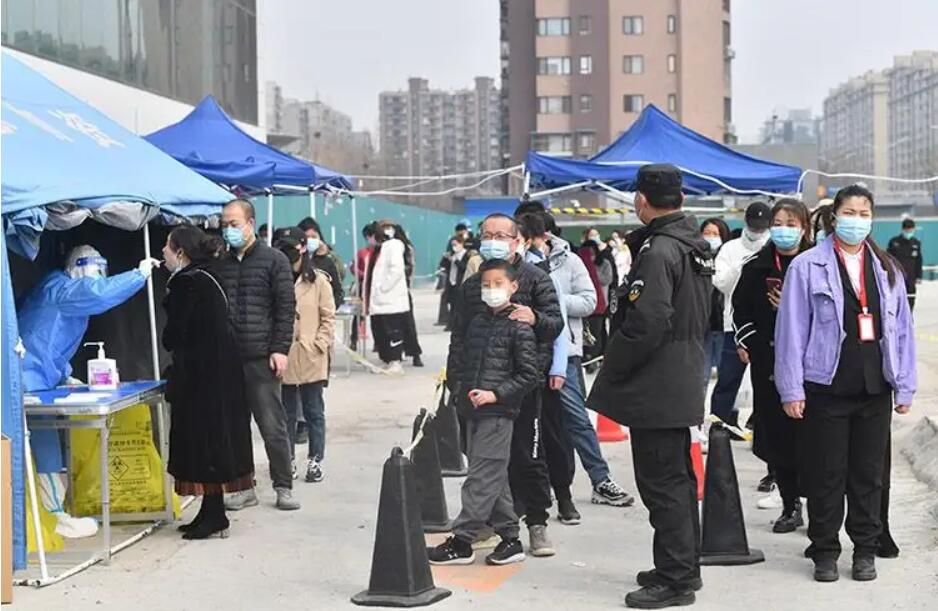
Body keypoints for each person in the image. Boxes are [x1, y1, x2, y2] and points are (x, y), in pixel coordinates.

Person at [775, 184, 916, 583]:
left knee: (868, 475)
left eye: (863, 213)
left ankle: (865, 550)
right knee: (827, 473)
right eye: (849, 212)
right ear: (834, 216)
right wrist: (792, 389)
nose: (857, 219)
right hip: (827, 386)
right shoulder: (807, 266)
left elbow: (901, 331)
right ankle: (824, 549)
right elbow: (791, 331)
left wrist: (904, 385)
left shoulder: (887, 267)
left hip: (875, 387)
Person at [587, 164, 711, 609]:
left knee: (663, 484)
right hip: (680, 377)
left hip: (658, 384)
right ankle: (681, 566)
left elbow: (646, 322)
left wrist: (612, 366)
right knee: (675, 478)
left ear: (641, 199)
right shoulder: (691, 245)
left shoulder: (659, 251)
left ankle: (675, 579)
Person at [19, 245, 159, 538]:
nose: (94, 279)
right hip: (27, 381)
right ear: (77, 269)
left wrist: (64, 375)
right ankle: (54, 516)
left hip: (38, 378)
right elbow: (98, 294)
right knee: (42, 444)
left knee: (45, 444)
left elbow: (49, 340)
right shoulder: (65, 291)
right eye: (92, 273)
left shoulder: (56, 289)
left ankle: (53, 512)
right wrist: (138, 275)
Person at [448, 213, 564, 557]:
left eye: (500, 234)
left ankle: (536, 523)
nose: (492, 240)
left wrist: (536, 318)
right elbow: (460, 336)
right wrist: (456, 380)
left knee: (526, 456)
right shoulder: (473, 286)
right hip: (477, 387)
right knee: (483, 456)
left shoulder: (535, 279)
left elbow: (556, 325)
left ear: (517, 241)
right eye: (487, 234)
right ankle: (495, 524)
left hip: (522, 385)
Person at [520, 210, 635, 523]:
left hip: (563, 352)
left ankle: (599, 479)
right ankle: (528, 493)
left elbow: (591, 301)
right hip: (518, 354)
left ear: (546, 235)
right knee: (527, 425)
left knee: (574, 419)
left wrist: (552, 300)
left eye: (534, 236)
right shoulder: (510, 266)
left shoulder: (568, 262)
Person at [428, 259, 540, 566]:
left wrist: (496, 394)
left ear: (513, 287)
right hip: (472, 409)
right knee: (493, 474)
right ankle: (511, 539)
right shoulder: (477, 322)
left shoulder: (519, 326)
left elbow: (530, 374)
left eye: (498, 284)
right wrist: (459, 388)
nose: (491, 290)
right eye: (486, 285)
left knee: (479, 476)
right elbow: (464, 358)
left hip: (499, 412)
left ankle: (462, 540)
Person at [161, 227, 254, 539]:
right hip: (220, 373)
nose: (163, 252)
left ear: (181, 252)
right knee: (214, 443)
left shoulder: (188, 283)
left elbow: (174, 336)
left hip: (202, 379)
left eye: (167, 247)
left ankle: (214, 515)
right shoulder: (210, 276)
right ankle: (212, 511)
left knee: (204, 444)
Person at [732, 200, 812, 532]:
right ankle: (790, 502)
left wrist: (793, 307)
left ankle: (820, 504)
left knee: (815, 438)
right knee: (778, 436)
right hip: (770, 364)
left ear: (804, 227)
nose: (783, 229)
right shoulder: (756, 267)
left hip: (812, 367)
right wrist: (747, 342)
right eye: (778, 222)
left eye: (791, 223)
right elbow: (740, 312)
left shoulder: (818, 263)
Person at [215, 199, 300, 511]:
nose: (228, 230)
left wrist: (280, 349)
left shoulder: (274, 260)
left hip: (261, 358)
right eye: (224, 224)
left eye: (233, 224)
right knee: (235, 428)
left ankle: (283, 485)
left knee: (272, 424)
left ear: (250, 224)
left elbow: (285, 309)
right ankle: (243, 486)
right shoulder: (220, 263)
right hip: (228, 359)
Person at [274, 230, 336, 483]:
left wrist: (319, 344)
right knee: (285, 413)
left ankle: (315, 460)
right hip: (284, 356)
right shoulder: (276, 277)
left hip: (311, 356)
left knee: (313, 411)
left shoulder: (319, 280)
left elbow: (328, 317)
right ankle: (286, 459)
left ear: (302, 249)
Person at [712, 202, 771, 450]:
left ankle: (761, 428)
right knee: (728, 378)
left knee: (767, 382)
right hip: (733, 325)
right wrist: (744, 266)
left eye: (762, 227)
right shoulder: (730, 248)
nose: (756, 231)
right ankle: (719, 426)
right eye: (753, 226)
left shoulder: (773, 247)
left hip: (766, 326)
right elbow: (721, 282)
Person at [367, 221, 411, 374]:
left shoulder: (394, 246)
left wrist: (383, 288)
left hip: (390, 301)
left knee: (393, 332)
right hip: (379, 302)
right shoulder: (377, 250)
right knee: (381, 332)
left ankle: (395, 361)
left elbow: (396, 270)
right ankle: (387, 360)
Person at [579, 227, 617, 371]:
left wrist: (593, 271)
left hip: (600, 303)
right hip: (584, 304)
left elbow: (608, 279)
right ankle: (589, 357)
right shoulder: (580, 265)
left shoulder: (604, 263)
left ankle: (596, 358)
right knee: (587, 333)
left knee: (598, 332)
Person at [700, 219, 731, 389]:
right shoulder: (695, 258)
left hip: (723, 324)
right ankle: (697, 414)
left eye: (715, 234)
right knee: (701, 377)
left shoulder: (728, 258)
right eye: (707, 233)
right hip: (702, 326)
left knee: (726, 375)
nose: (710, 237)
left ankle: (726, 413)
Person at [292, 218, 345, 308]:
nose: (310, 240)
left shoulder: (328, 260)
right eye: (307, 237)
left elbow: (338, 287)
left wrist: (329, 309)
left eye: (314, 237)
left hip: (322, 311)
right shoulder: (292, 260)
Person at [394, 223, 424, 367]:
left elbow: (411, 268)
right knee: (395, 324)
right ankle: (397, 352)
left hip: (403, 290)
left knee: (407, 323)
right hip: (392, 291)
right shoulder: (385, 248)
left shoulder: (407, 248)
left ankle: (414, 353)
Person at [887, 218, 922, 312]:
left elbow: (919, 260)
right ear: (903, 229)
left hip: (911, 277)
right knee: (897, 298)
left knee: (910, 299)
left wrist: (919, 276)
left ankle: (909, 318)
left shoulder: (916, 243)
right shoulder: (894, 242)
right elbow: (888, 259)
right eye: (907, 230)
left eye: (911, 230)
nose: (909, 232)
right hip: (897, 276)